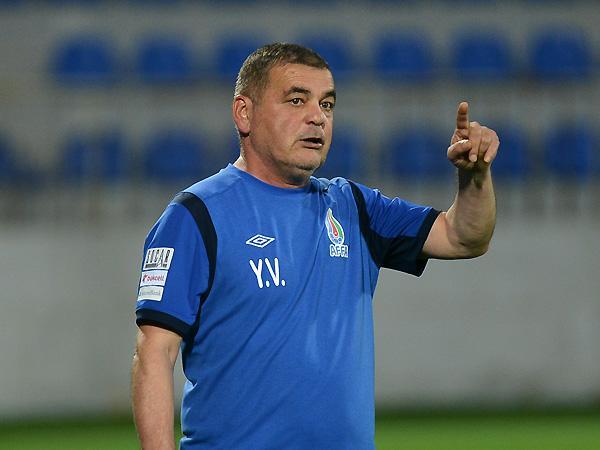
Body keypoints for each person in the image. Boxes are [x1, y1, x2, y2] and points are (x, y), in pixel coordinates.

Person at [131, 43, 498, 450]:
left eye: (327, 104)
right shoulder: (196, 215)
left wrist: (476, 176)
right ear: (244, 113)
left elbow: (464, 237)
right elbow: (154, 353)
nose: (317, 117)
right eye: (296, 100)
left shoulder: (354, 207)